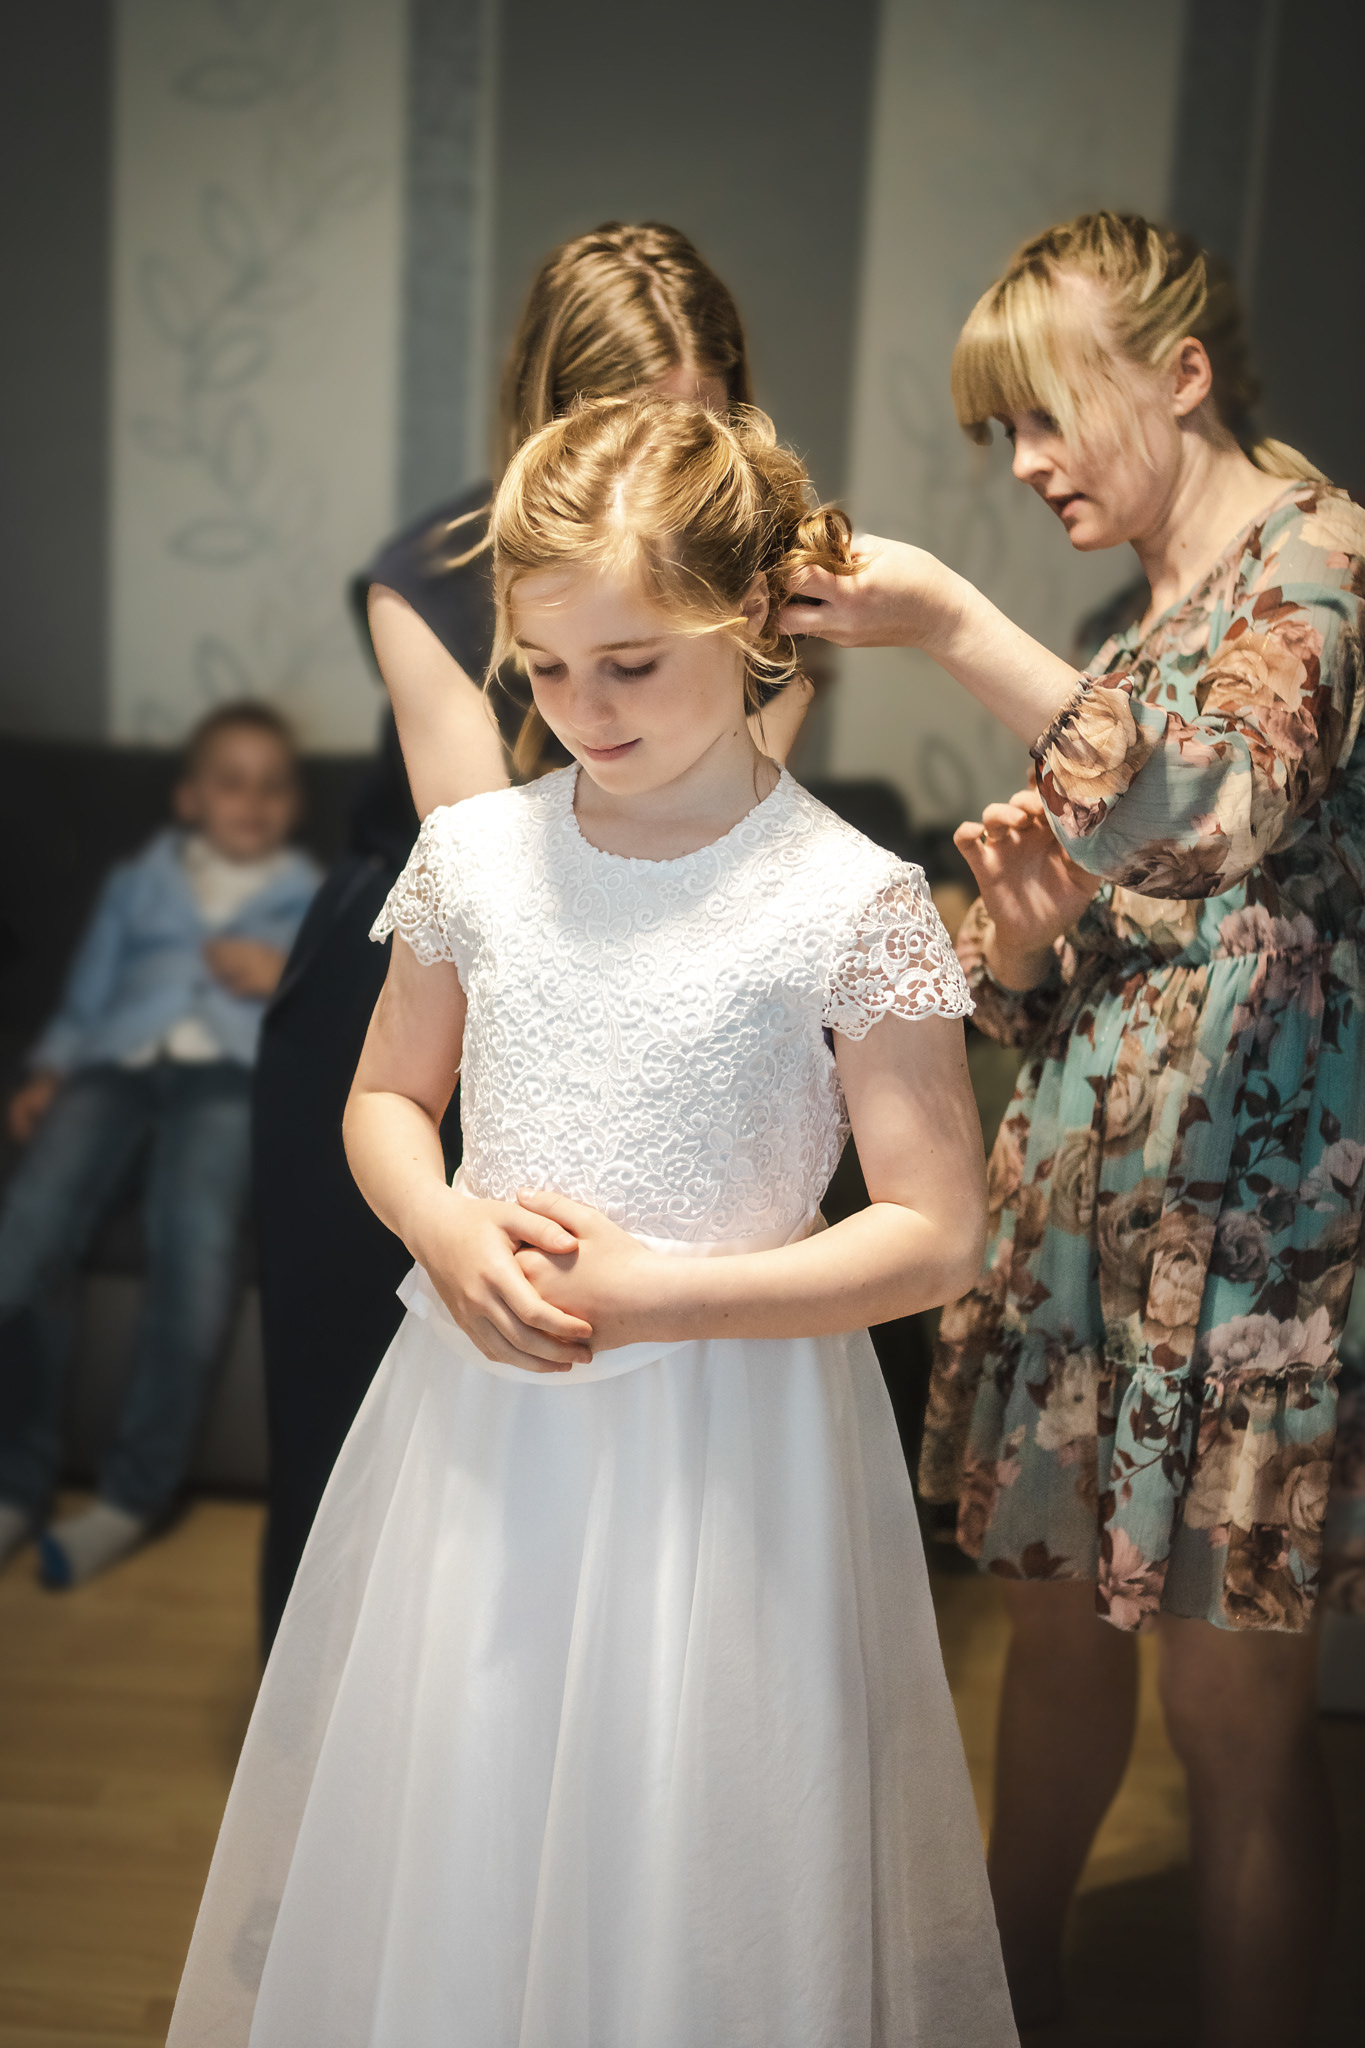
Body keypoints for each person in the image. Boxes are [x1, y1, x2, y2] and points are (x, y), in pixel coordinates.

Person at [167, 394, 1017, 2047]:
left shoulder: (850, 898)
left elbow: (935, 1233)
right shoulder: (475, 857)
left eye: (629, 662)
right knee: (469, 1803)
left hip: (731, 1451)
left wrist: (659, 1293)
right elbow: (384, 1098)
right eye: (547, 668)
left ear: (750, 616)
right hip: (483, 1430)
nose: (583, 709)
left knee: (689, 1835)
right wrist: (442, 1228)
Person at [777, 211, 1363, 2048]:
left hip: (1256, 1243)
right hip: (1079, 1218)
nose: (1025, 463)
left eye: (1046, 416)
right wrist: (1021, 944)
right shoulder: (1127, 627)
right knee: (1052, 1648)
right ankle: (998, 1999)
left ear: (1181, 375)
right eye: (1001, 432)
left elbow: (1210, 811)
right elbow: (1051, 986)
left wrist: (952, 619)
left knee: (1229, 1714)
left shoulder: (1326, 567)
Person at [255, 223, 813, 1645]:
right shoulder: (427, 574)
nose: (665, 463)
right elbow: (492, 859)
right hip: (439, 958)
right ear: (549, 413)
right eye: (628, 420)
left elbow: (727, 822)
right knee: (360, 1407)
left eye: (701, 421)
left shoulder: (762, 576)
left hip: (661, 957)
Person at [0, 703, 319, 1586]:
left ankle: (132, 1492)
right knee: (27, 1238)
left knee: (194, 1248)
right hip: (115, 1068)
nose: (252, 802)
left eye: (272, 787)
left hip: (226, 1076)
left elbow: (328, 1011)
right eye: (231, 783)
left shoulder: (308, 893)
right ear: (190, 798)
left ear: (293, 806)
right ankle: (16, 1480)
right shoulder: (140, 880)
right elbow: (90, 987)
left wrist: (281, 972)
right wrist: (52, 1067)